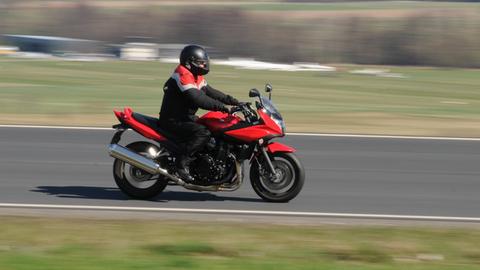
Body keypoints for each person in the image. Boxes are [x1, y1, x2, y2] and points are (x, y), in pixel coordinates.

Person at [159, 44, 240, 182]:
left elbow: (210, 91)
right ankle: (181, 163)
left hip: (186, 118)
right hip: (173, 120)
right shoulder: (182, 74)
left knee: (214, 130)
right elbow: (198, 98)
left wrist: (234, 101)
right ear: (189, 62)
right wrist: (223, 107)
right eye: (200, 63)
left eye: (204, 63)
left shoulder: (196, 76)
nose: (204, 65)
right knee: (203, 133)